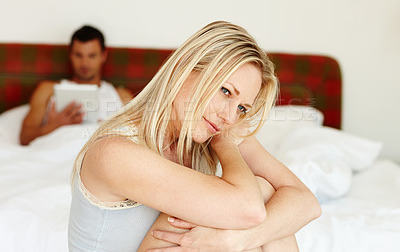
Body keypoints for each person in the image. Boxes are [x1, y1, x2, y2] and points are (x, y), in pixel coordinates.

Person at [68, 21, 321, 251]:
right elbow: (248, 208)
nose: (230, 117)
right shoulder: (113, 152)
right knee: (252, 196)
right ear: (184, 68)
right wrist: (227, 145)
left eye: (243, 108)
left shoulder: (214, 126)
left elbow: (306, 202)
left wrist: (237, 240)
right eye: (225, 91)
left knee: (261, 198)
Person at [19, 25, 132, 145]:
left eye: (92, 56)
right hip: (56, 151)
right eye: (78, 55)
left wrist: (104, 130)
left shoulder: (121, 95)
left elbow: (139, 138)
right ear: (70, 54)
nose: (84, 63)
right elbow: (25, 138)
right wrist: (55, 125)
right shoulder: (48, 89)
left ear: (103, 55)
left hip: (99, 154)